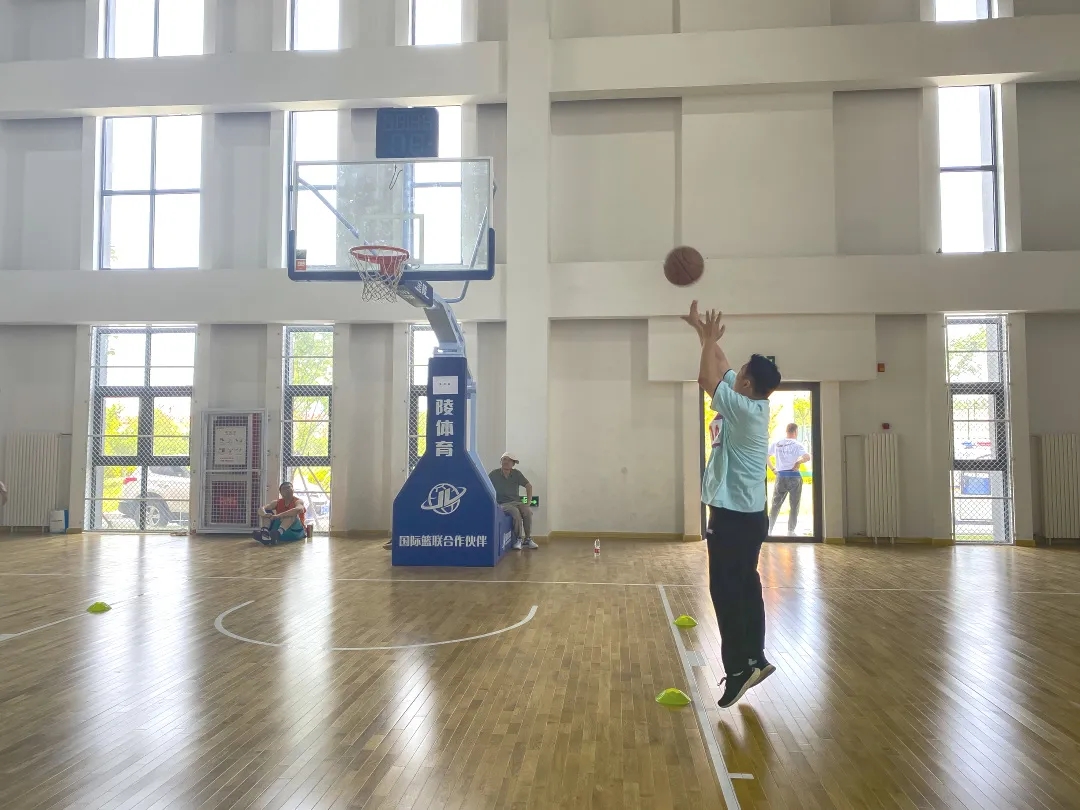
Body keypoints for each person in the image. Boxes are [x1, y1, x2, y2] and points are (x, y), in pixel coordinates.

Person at [682, 301, 781, 708]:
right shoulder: (751, 401)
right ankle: (755, 657)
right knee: (746, 585)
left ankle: (739, 670)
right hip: (749, 516)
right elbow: (719, 363)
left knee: (724, 591)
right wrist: (703, 334)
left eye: (739, 371)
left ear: (746, 383)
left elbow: (705, 375)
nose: (733, 371)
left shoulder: (742, 409)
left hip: (734, 518)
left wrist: (707, 340)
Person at [768, 423, 811, 536]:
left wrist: (773, 469)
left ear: (786, 431)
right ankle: (790, 531)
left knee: (775, 504)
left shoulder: (777, 443)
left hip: (781, 476)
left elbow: (765, 456)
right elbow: (807, 457)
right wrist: (798, 462)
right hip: (794, 476)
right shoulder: (797, 444)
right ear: (795, 432)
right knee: (794, 504)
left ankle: (769, 529)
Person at [489, 452, 537, 550]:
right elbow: (486, 486)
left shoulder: (516, 474)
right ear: (501, 461)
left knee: (527, 511)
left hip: (516, 502)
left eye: (509, 460)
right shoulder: (494, 474)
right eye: (504, 459)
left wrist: (528, 503)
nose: (506, 462)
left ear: (513, 464)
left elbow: (529, 486)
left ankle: (528, 539)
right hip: (502, 503)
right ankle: (518, 539)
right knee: (515, 512)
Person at [253, 482, 307, 546]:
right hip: (279, 529)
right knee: (267, 512)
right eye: (284, 488)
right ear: (281, 492)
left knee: (292, 514)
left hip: (295, 531)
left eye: (289, 487)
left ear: (293, 489)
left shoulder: (298, 501)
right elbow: (261, 509)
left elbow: (298, 509)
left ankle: (276, 535)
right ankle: (265, 533)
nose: (287, 490)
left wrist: (278, 516)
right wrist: (265, 514)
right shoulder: (276, 502)